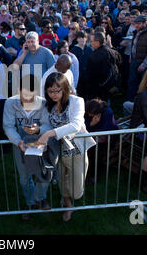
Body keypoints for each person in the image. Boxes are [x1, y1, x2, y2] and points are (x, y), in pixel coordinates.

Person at [37, 72, 96, 222]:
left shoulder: (77, 101)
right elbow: (45, 124)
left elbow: (75, 125)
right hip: (58, 150)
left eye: (57, 90)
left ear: (65, 88)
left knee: (77, 191)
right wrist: (39, 130)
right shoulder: (47, 104)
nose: (53, 94)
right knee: (62, 180)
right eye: (50, 91)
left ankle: (71, 198)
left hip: (77, 150)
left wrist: (49, 133)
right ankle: (68, 205)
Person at [3, 74, 51, 219]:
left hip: (40, 144)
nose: (28, 100)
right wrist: (19, 142)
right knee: (24, 177)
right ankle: (30, 202)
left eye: (32, 96)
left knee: (43, 173)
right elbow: (8, 126)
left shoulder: (43, 103)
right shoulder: (10, 103)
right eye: (25, 96)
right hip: (20, 145)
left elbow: (48, 124)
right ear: (18, 90)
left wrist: (38, 130)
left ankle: (40, 197)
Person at [84, 98, 119, 184]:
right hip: (92, 134)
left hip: (107, 136)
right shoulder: (86, 108)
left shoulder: (107, 112)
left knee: (96, 152)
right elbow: (84, 126)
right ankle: (87, 171)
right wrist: (92, 124)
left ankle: (94, 176)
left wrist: (93, 129)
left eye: (90, 113)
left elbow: (106, 129)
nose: (88, 115)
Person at [127, 15, 147, 101]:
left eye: (138, 23)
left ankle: (140, 102)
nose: (136, 25)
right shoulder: (137, 31)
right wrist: (131, 56)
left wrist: (144, 65)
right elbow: (134, 45)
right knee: (132, 82)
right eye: (135, 23)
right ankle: (130, 100)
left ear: (145, 23)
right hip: (134, 61)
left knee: (142, 84)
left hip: (144, 64)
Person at [85, 32, 121, 101]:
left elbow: (90, 75)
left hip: (99, 88)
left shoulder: (94, 56)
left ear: (97, 42)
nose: (90, 43)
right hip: (111, 85)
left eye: (92, 41)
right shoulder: (112, 51)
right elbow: (120, 60)